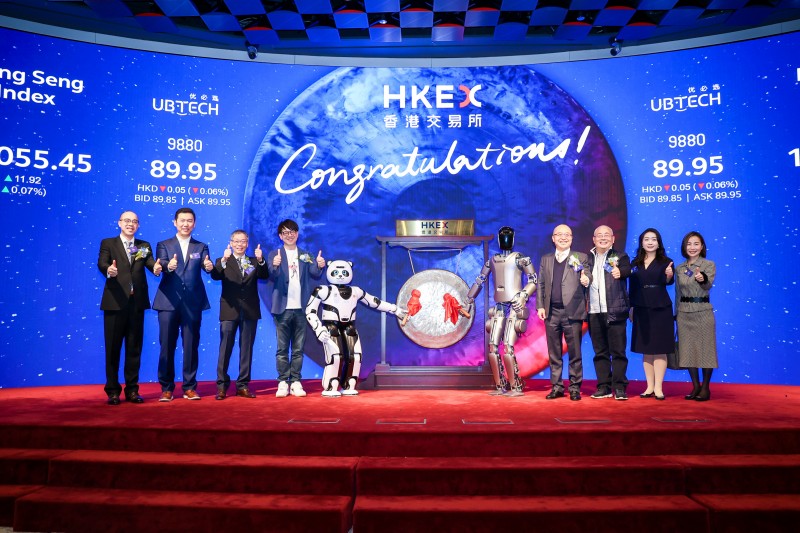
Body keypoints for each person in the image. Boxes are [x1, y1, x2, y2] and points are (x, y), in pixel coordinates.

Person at [97, 211, 162, 405]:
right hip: (115, 303)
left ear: (138, 225)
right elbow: (102, 262)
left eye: (134, 221)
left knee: (134, 348)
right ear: (119, 223)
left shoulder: (143, 245)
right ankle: (112, 391)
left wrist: (156, 268)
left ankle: (132, 390)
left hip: (136, 303)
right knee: (113, 349)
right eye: (127, 221)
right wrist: (108, 270)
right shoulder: (109, 243)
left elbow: (149, 262)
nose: (130, 224)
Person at [465, 226, 537, 397]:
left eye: (508, 236)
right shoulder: (493, 260)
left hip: (515, 305)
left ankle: (515, 386)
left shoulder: (521, 259)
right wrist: (469, 298)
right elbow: (480, 279)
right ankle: (500, 385)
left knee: (508, 347)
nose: (505, 239)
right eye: (503, 236)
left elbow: (533, 279)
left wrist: (523, 295)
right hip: (499, 306)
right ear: (498, 239)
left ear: (513, 238)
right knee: (492, 346)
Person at [153, 208, 214, 402]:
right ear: (175, 222)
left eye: (189, 221)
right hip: (168, 302)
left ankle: (189, 387)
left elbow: (206, 265)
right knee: (166, 346)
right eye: (182, 220)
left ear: (194, 224)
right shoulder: (164, 244)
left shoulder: (201, 246)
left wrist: (209, 267)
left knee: (191, 345)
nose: (185, 224)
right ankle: (166, 388)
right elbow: (161, 262)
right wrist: (167, 266)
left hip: (192, 302)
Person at [266, 219, 325, 398]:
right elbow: (272, 274)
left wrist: (319, 264)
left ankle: (296, 381)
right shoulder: (274, 254)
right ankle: (283, 381)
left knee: (298, 349)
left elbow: (314, 272)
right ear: (280, 236)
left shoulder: (305, 254)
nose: (289, 235)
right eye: (285, 232)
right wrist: (275, 264)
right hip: (282, 308)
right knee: (282, 349)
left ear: (297, 234)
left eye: (292, 232)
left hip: (301, 308)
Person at [209, 230, 269, 400]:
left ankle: (243, 385)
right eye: (236, 241)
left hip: (250, 310)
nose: (240, 244)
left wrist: (261, 260)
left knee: (246, 349)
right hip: (229, 310)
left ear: (247, 243)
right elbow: (215, 275)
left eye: (243, 241)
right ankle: (221, 386)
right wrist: (224, 259)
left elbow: (265, 275)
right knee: (225, 348)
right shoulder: (223, 260)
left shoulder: (253, 261)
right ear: (231, 243)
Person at [536, 224, 591, 401]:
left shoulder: (579, 257)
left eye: (567, 234)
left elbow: (587, 276)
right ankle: (557, 387)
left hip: (572, 312)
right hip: (551, 312)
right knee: (554, 353)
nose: (563, 237)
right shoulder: (546, 259)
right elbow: (541, 284)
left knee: (575, 352)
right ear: (553, 238)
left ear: (572, 238)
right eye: (559, 234)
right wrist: (540, 306)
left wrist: (586, 279)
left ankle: (574, 387)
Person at [629, 228, 675, 400]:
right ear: (641, 242)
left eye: (653, 239)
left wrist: (669, 276)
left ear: (658, 243)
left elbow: (668, 281)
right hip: (641, 307)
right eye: (646, 239)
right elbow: (632, 287)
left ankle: (658, 387)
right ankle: (649, 386)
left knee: (660, 348)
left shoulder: (666, 262)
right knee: (646, 349)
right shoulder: (635, 263)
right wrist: (631, 307)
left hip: (661, 308)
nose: (650, 242)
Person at [587, 225, 632, 401]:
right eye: (599, 235)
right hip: (593, 311)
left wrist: (621, 272)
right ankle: (603, 386)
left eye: (607, 235)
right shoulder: (586, 259)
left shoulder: (620, 256)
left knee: (618, 352)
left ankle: (619, 387)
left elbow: (628, 270)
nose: (603, 238)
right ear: (594, 239)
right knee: (600, 353)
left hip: (615, 311)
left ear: (613, 239)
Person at [675, 231, 718, 401]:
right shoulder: (679, 268)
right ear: (684, 247)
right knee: (688, 350)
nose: (692, 247)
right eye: (689, 244)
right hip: (684, 313)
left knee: (706, 350)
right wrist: (676, 313)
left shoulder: (708, 265)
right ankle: (695, 386)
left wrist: (702, 278)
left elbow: (707, 285)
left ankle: (706, 388)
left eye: (696, 244)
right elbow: (678, 293)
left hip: (702, 311)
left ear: (702, 246)